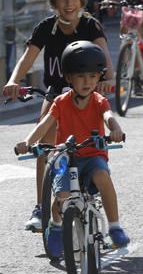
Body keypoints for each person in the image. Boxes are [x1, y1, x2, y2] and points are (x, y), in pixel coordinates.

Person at [3, 0, 115, 231]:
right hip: (56, 93)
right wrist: (13, 80)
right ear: (53, 1)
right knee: (44, 145)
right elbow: (27, 58)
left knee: (92, 142)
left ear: (83, 0)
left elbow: (104, 53)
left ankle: (91, 182)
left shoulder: (90, 25)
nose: (69, 4)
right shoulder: (45, 28)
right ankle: (41, 207)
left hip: (87, 94)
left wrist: (110, 76)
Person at [14, 41, 128, 257]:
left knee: (103, 176)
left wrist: (115, 130)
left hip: (93, 155)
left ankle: (115, 227)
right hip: (66, 155)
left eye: (93, 76)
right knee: (62, 194)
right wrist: (27, 142)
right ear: (68, 78)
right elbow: (45, 124)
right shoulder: (61, 102)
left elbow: (109, 117)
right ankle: (56, 227)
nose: (88, 82)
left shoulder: (99, 101)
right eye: (81, 76)